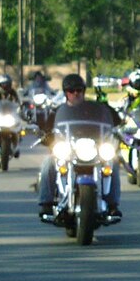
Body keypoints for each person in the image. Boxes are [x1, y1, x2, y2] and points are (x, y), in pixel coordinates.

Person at [37, 73, 123, 219]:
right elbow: (47, 129)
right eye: (71, 91)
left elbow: (115, 121)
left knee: (112, 162)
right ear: (66, 93)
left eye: (79, 90)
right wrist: (44, 135)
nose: (75, 93)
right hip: (69, 149)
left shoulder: (96, 108)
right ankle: (46, 203)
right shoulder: (58, 111)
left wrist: (118, 130)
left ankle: (113, 205)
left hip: (93, 149)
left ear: (83, 91)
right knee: (48, 162)